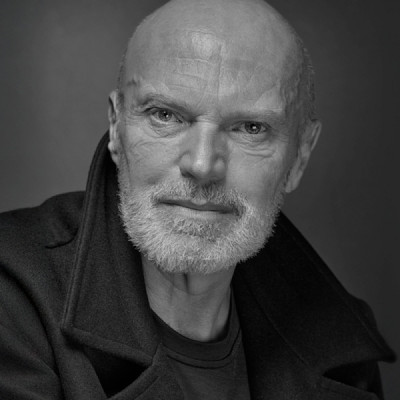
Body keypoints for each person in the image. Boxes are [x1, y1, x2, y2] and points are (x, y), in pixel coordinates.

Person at [0, 0, 395, 398]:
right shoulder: (11, 298)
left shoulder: (340, 346)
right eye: (165, 115)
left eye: (250, 127)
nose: (203, 165)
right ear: (117, 128)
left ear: (300, 156)